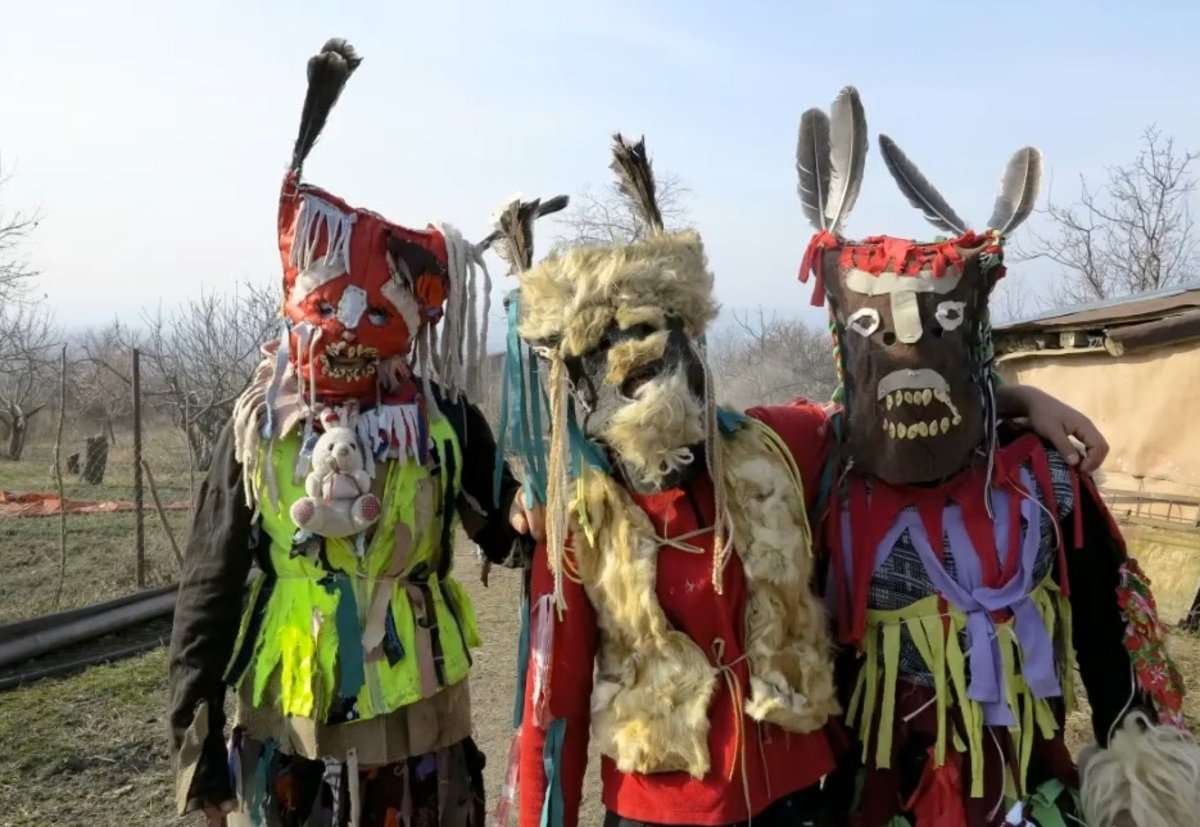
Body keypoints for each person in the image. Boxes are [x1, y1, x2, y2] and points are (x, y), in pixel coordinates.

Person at [504, 135, 1112, 827]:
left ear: (690, 341)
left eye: (656, 343)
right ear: (579, 383)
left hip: (799, 795)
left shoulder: (775, 444)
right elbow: (552, 706)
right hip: (661, 808)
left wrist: (1021, 399)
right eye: (608, 356)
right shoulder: (579, 518)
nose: (638, 368)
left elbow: (892, 411)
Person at [792, 86, 1189, 826]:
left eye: (937, 330)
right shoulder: (828, 481)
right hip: (876, 790)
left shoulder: (1044, 487)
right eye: (880, 335)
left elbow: (1112, 648)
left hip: (1022, 786)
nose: (909, 357)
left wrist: (1143, 776)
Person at [167, 39, 530, 827]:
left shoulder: (444, 421)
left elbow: (507, 531)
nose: (347, 337)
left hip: (422, 736)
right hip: (289, 736)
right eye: (331, 318)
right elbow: (211, 580)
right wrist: (199, 759)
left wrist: (547, 498)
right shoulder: (259, 425)